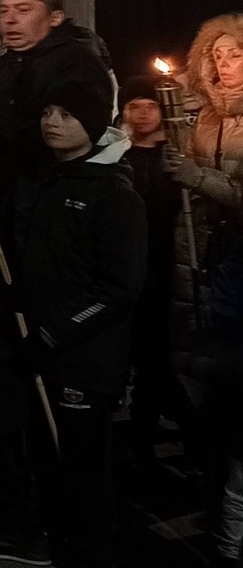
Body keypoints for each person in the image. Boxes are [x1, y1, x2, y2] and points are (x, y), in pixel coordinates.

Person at [0, 80, 144, 568]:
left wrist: (57, 331)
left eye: (67, 114)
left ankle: (86, 550)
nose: (52, 122)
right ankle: (20, 528)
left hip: (80, 352)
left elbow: (119, 288)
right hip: (21, 336)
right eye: (48, 112)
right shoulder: (37, 178)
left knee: (78, 458)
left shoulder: (114, 194)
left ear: (93, 124)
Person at [0, 0, 115, 234]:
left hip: (48, 206)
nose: (10, 19)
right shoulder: (0, 68)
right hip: (0, 208)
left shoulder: (76, 64)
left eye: (23, 10)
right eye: (4, 11)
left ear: (55, 17)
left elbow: (61, 138)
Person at [116, 76, 200, 471]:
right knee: (140, 354)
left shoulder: (178, 155)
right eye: (134, 106)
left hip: (169, 267)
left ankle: (174, 435)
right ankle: (140, 441)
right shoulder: (117, 156)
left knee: (161, 358)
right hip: (131, 267)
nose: (142, 113)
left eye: (150, 105)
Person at [172, 11, 243, 211]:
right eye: (217, 56)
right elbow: (189, 162)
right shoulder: (208, 114)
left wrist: (198, 178)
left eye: (236, 55)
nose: (223, 64)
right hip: (206, 225)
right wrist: (175, 163)